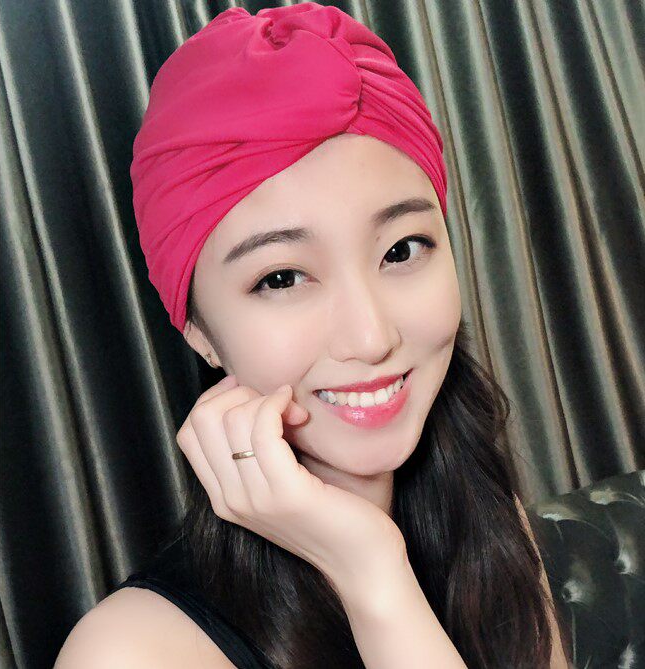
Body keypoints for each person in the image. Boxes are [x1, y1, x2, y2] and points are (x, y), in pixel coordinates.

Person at [54, 3, 569, 668]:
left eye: (401, 249)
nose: (370, 336)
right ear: (199, 331)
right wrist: (371, 574)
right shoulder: (130, 653)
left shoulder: (490, 524)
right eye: (282, 278)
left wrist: (375, 572)